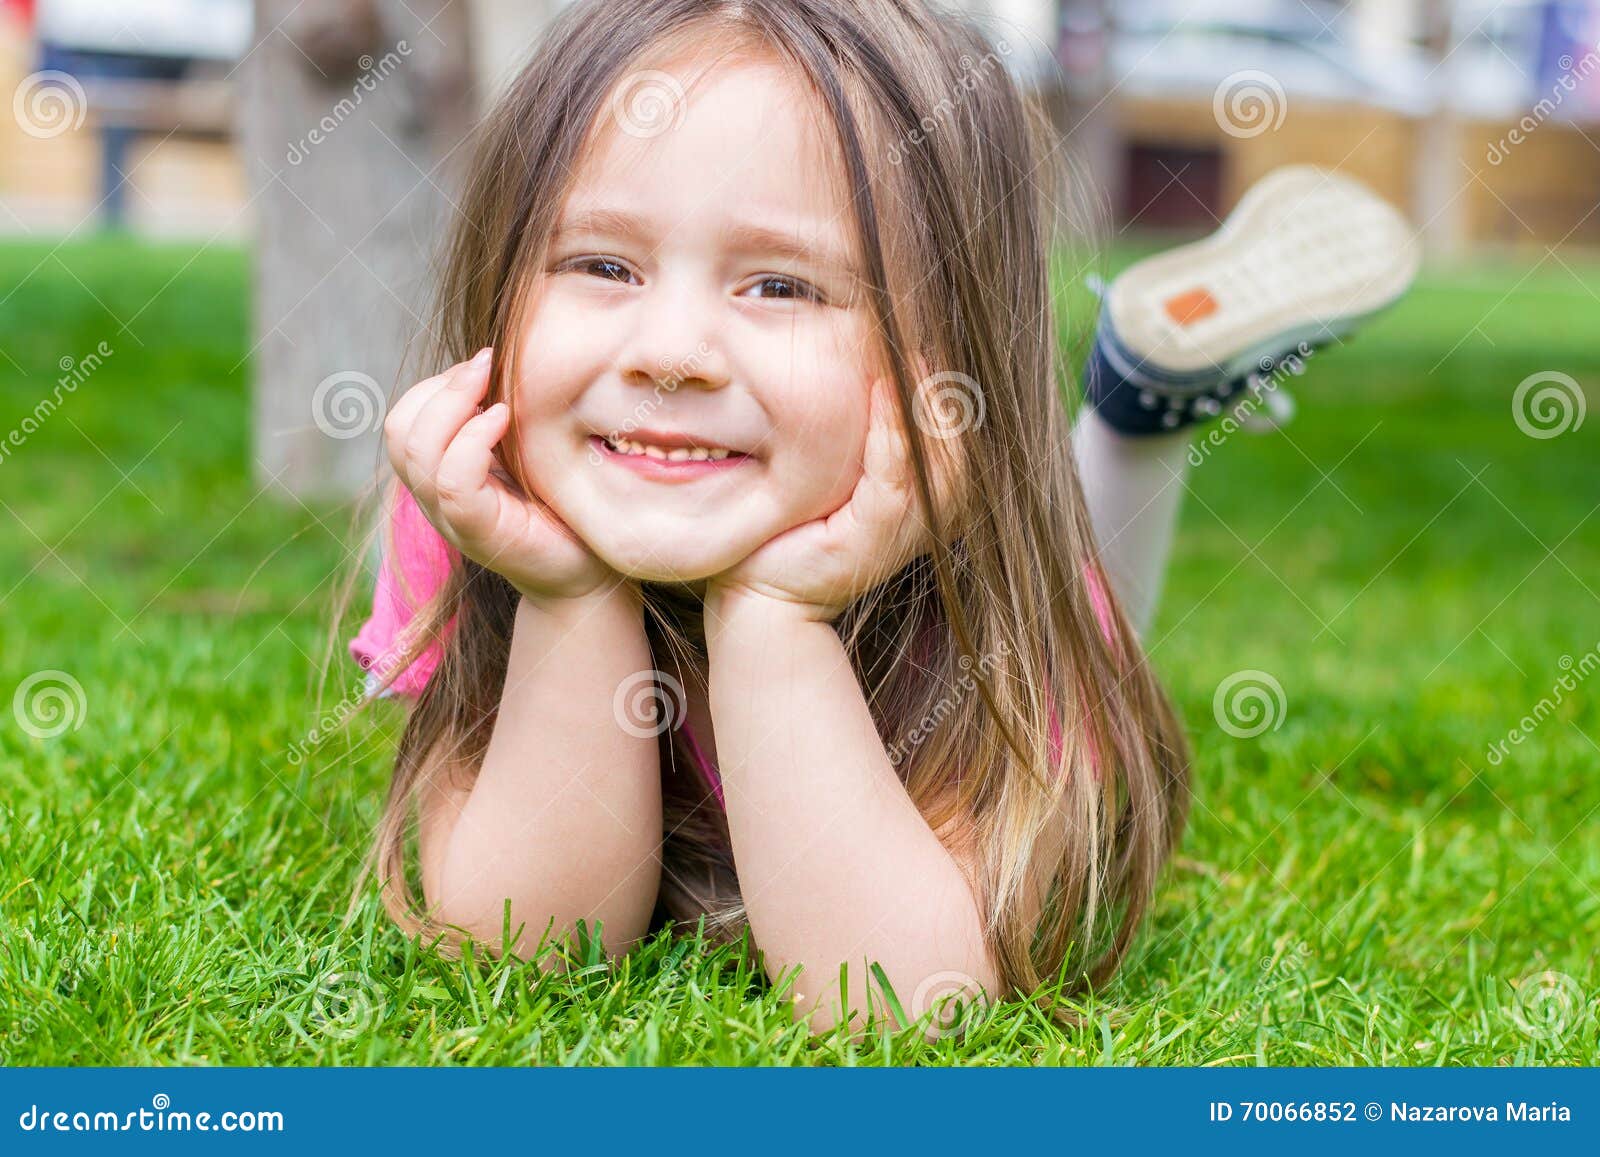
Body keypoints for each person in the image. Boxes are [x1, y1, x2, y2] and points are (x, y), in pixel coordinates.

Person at [339, 0, 1417, 1037]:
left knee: (1100, 597)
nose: (666, 350)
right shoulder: (478, 508)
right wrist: (564, 594)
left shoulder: (1005, 618)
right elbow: (523, 949)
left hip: (997, 570)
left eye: (780, 287)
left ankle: (1135, 415)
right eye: (602, 265)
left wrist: (776, 618)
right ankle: (1130, 395)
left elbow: (895, 1000)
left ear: (947, 352)